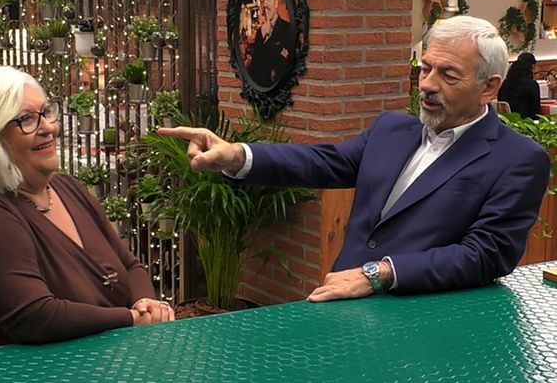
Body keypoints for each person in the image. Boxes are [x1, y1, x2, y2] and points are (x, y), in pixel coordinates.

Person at [160, 16, 550, 302]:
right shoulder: (391, 129)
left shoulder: (518, 159)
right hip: (343, 306)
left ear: (489, 87)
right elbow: (322, 162)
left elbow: (486, 254)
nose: (428, 84)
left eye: (448, 74)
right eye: (425, 68)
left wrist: (381, 274)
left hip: (425, 325)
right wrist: (235, 156)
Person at [0, 66, 173, 351]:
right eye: (27, 119)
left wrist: (145, 302)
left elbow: (130, 265)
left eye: (46, 112)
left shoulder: (67, 186)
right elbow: (35, 316)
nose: (48, 127)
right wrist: (131, 318)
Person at [246, 0, 295, 88]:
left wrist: (267, 39)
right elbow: (254, 70)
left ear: (276, 0)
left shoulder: (288, 29)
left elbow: (281, 69)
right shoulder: (260, 32)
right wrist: (263, 35)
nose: (265, 4)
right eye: (262, 0)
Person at [498, 52, 541, 119]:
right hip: (525, 122)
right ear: (532, 67)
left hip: (506, 121)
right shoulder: (532, 85)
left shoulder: (504, 83)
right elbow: (536, 111)